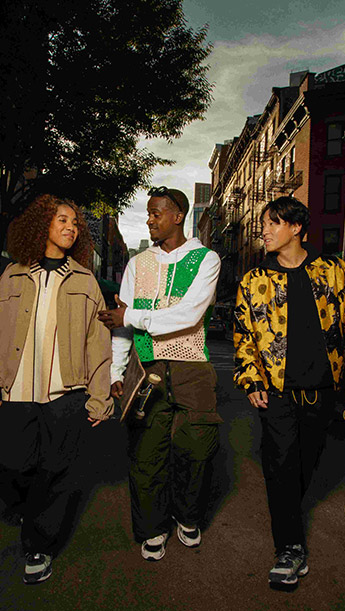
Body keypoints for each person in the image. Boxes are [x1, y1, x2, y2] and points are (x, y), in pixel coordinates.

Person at [233, 196, 345, 587]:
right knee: (280, 468)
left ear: (296, 227)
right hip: (276, 393)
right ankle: (289, 549)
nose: (265, 231)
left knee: (303, 467)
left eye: (273, 223)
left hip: (322, 391)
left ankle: (288, 522)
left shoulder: (333, 271)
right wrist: (251, 378)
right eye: (264, 224)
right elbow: (244, 335)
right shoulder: (254, 280)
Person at [0, 194, 112, 585]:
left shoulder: (85, 281)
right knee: (7, 467)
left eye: (75, 223)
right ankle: (29, 509)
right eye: (62, 220)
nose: (71, 227)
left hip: (65, 394)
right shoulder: (12, 275)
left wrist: (100, 398)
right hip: (16, 391)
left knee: (56, 472)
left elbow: (97, 344)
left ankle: (38, 545)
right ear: (42, 225)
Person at [97, 186, 222, 561]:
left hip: (192, 367)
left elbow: (189, 315)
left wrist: (131, 316)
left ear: (178, 216)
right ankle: (152, 528)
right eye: (148, 213)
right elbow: (121, 327)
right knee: (146, 454)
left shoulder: (206, 259)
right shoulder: (138, 264)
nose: (150, 220)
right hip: (146, 368)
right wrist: (116, 371)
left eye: (156, 213)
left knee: (197, 450)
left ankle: (187, 516)